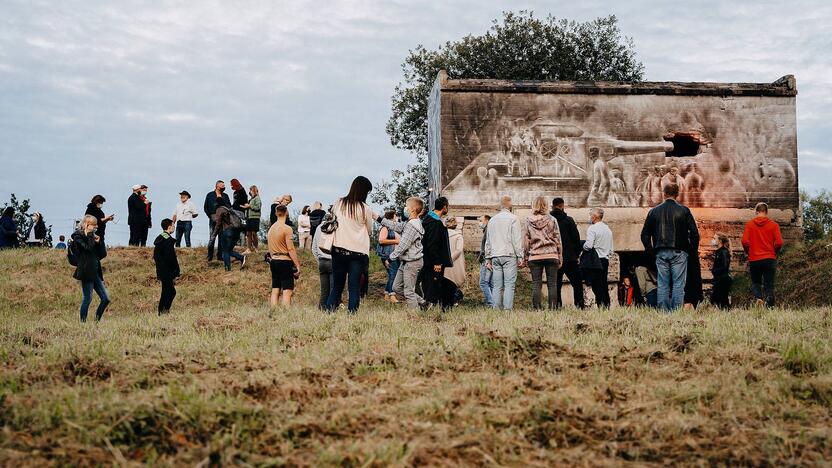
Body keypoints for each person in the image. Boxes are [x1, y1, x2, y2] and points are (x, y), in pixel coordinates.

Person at [640, 183, 699, 311]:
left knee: (662, 283)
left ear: (664, 193)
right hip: (679, 252)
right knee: (678, 284)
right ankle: (676, 311)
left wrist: (651, 251)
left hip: (660, 251)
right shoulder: (684, 211)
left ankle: (663, 312)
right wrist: (692, 251)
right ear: (677, 194)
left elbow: (644, 235)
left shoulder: (653, 211)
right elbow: (694, 233)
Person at [325, 176, 376, 313]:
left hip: (339, 249)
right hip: (358, 252)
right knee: (353, 287)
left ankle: (329, 312)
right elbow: (370, 230)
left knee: (337, 286)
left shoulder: (339, 203)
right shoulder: (365, 208)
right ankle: (352, 314)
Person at [379, 197, 426, 310]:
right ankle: (423, 302)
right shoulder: (409, 223)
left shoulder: (412, 225)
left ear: (413, 209)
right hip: (406, 261)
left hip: (412, 262)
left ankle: (415, 316)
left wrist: (390, 259)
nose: (404, 208)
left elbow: (402, 246)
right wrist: (378, 218)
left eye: (406, 206)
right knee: (396, 288)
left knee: (408, 291)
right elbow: (396, 226)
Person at [524, 196, 563, 310]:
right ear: (546, 205)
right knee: (552, 284)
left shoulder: (528, 221)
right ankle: (552, 309)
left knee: (536, 284)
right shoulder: (552, 220)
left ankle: (537, 309)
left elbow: (526, 241)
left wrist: (526, 256)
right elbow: (558, 240)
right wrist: (560, 256)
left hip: (535, 256)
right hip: (551, 254)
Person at [741, 202, 783, 308]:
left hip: (754, 259)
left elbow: (745, 241)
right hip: (769, 258)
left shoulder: (749, 225)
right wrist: (774, 251)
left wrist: (749, 252)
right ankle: (769, 303)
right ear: (767, 212)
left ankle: (759, 298)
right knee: (769, 284)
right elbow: (779, 242)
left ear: (756, 211)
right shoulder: (774, 225)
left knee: (756, 282)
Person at [485, 196, 523, 310]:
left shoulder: (492, 220)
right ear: (509, 205)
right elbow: (516, 239)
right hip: (509, 254)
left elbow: (488, 241)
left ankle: (496, 309)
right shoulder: (513, 219)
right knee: (509, 285)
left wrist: (488, 258)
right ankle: (507, 310)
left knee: (496, 286)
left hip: (495, 255)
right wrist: (520, 256)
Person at [71, 215, 110, 322]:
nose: (95, 228)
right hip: (85, 270)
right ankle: (83, 323)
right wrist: (90, 236)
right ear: (87, 225)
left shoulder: (92, 237)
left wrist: (100, 243)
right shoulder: (77, 236)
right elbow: (87, 248)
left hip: (95, 271)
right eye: (94, 225)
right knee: (87, 299)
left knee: (106, 299)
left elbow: (102, 254)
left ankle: (96, 321)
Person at [551, 198, 585, 309]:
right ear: (562, 206)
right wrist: (576, 254)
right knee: (577, 284)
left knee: (556, 285)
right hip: (570, 257)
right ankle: (579, 306)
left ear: (553, 206)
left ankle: (556, 307)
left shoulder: (549, 221)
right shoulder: (569, 220)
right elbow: (576, 239)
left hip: (555, 257)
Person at [421, 197, 453, 309]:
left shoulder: (427, 219)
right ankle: (428, 307)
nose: (447, 208)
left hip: (426, 259)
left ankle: (430, 305)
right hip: (432, 261)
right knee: (433, 285)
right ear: (444, 206)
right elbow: (433, 244)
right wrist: (437, 262)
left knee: (430, 284)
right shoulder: (435, 223)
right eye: (447, 206)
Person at [267, 205, 301, 307]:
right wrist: (297, 265)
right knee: (287, 290)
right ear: (286, 212)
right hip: (284, 260)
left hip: (274, 261)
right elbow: (290, 248)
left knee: (275, 289)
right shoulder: (287, 229)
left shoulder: (271, 229)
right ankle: (286, 314)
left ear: (276, 213)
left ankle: (273, 311)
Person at [583, 207, 613, 308]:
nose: (589, 217)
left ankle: (601, 305)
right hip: (605, 259)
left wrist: (582, 245)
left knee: (596, 285)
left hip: (595, 260)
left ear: (594, 217)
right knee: (604, 284)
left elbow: (589, 246)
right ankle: (607, 305)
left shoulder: (592, 228)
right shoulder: (607, 229)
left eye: (590, 214)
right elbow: (611, 249)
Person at [153, 219, 180, 315]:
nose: (174, 227)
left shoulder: (161, 238)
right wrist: (176, 270)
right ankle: (163, 311)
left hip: (161, 270)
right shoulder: (168, 240)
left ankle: (163, 311)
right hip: (167, 270)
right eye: (173, 226)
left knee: (167, 291)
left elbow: (156, 256)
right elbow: (171, 257)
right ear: (169, 227)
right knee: (170, 292)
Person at [204, 180, 231, 262]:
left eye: (224, 186)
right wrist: (210, 216)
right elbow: (206, 207)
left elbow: (229, 206)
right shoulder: (210, 195)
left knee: (222, 238)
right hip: (213, 218)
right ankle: (210, 257)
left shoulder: (225, 196)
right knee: (212, 237)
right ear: (217, 186)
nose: (224, 187)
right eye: (222, 185)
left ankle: (220, 256)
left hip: (223, 219)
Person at [377, 210, 401, 302]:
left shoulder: (393, 228)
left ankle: (386, 294)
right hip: (387, 255)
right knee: (393, 274)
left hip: (394, 255)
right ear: (391, 217)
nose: (396, 218)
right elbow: (381, 240)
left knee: (393, 274)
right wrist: (395, 241)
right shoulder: (385, 228)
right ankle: (392, 295)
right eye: (395, 216)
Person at [213, 205, 246, 271]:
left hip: (228, 231)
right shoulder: (233, 211)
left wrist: (214, 234)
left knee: (225, 251)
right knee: (228, 250)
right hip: (237, 232)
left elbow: (218, 223)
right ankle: (241, 257)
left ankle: (227, 269)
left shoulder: (220, 209)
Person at [442, 217, 466, 308]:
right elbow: (459, 250)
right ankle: (453, 301)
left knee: (445, 283)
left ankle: (445, 303)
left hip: (444, 262)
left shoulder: (442, 235)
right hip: (454, 263)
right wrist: (450, 259)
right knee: (453, 282)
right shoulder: (458, 236)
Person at [312, 214, 334, 309]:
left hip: (322, 261)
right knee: (333, 288)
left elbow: (314, 248)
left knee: (324, 289)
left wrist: (319, 259)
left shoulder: (318, 228)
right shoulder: (334, 228)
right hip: (332, 260)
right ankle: (331, 308)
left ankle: (321, 308)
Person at [710, 232, 732, 309]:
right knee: (716, 300)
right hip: (719, 279)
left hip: (723, 279)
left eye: (714, 238)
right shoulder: (719, 251)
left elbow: (725, 266)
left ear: (719, 240)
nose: (712, 240)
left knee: (722, 301)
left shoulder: (724, 251)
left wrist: (715, 270)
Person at [477, 215, 494, 307]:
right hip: (490, 258)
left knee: (483, 282)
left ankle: (491, 303)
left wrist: (486, 259)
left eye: (481, 220)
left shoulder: (488, 230)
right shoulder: (490, 230)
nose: (479, 223)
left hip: (486, 259)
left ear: (487, 220)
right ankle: (493, 302)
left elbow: (487, 246)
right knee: (491, 283)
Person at [240, 185, 262, 254]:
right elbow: (249, 207)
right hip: (249, 217)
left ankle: (256, 248)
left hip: (255, 218)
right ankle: (248, 248)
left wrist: (249, 206)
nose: (250, 192)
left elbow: (257, 207)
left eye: (251, 190)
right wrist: (244, 207)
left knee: (254, 233)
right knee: (248, 233)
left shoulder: (257, 198)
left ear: (254, 191)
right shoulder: (251, 199)